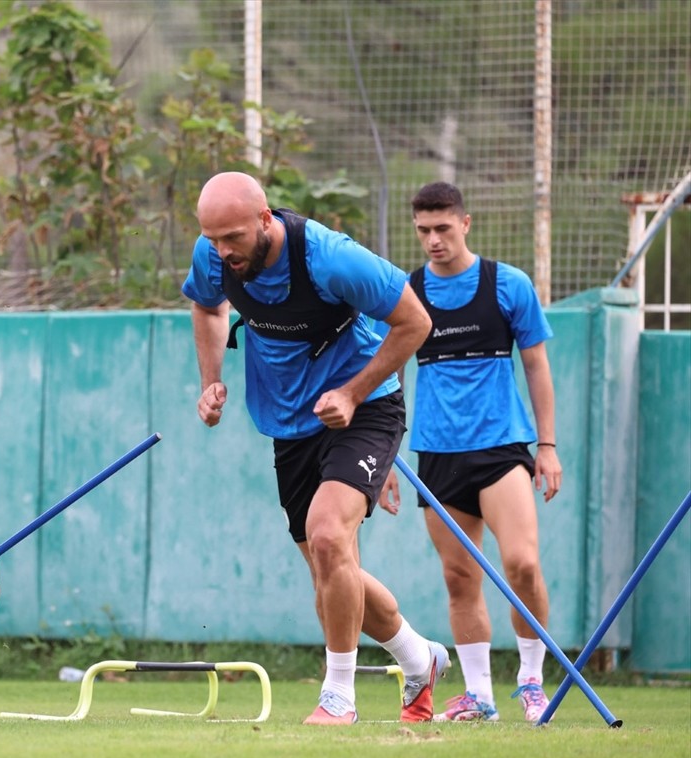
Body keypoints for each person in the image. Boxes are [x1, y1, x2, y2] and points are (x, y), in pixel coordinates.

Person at [183, 171, 449, 725]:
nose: (222, 251)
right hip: (290, 422)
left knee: (330, 537)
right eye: (213, 239)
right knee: (331, 569)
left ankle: (338, 697)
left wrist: (353, 393)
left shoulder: (332, 258)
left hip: (365, 408)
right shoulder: (215, 255)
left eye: (232, 237)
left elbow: (415, 322)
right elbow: (208, 308)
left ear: (265, 220)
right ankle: (418, 657)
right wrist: (211, 380)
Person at [379, 181, 560, 723]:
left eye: (442, 228)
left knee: (522, 564)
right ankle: (479, 695)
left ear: (465, 223)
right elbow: (386, 375)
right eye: (423, 231)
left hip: (502, 448)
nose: (433, 240)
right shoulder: (406, 293)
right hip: (435, 454)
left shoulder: (508, 284)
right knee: (460, 577)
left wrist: (546, 446)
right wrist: (386, 458)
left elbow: (536, 365)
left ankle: (530, 681)